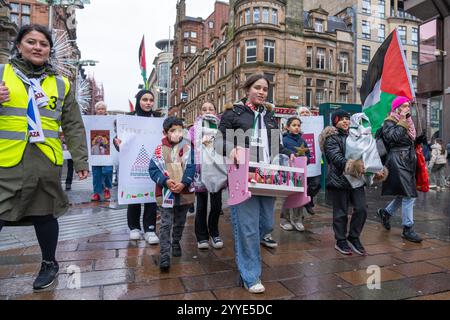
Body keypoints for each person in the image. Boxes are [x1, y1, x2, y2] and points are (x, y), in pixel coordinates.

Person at [0, 24, 89, 290]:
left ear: (50, 50)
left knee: (44, 215)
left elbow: (73, 124)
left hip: (44, 161)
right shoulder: (2, 74)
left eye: (43, 44)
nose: (38, 47)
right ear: (19, 45)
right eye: (31, 42)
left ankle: (49, 263)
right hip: (6, 161)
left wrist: (81, 160)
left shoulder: (61, 84)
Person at [218, 73, 294, 294]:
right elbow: (218, 140)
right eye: (257, 88)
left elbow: (276, 146)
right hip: (243, 176)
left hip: (267, 177)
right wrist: (230, 148)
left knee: (267, 223)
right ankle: (250, 275)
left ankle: (248, 255)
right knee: (248, 227)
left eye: (265, 89)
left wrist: (288, 153)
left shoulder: (270, 116)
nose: (262, 92)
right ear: (247, 89)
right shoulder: (235, 113)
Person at [320, 110, 373, 256]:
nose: (345, 121)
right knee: (340, 213)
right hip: (339, 180)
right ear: (335, 121)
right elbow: (335, 158)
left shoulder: (355, 136)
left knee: (362, 209)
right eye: (341, 119)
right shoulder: (331, 138)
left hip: (356, 180)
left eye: (347, 119)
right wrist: (354, 166)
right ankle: (340, 240)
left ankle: (354, 237)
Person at [113, 90, 160, 244]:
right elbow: (119, 139)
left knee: (151, 197)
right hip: (132, 164)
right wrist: (117, 142)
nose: (148, 103)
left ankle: (150, 229)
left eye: (151, 100)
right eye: (145, 99)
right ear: (139, 100)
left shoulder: (158, 119)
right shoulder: (128, 119)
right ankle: (134, 227)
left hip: (153, 163)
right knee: (134, 195)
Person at [149, 117, 195, 271]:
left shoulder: (187, 147)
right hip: (165, 192)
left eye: (179, 130)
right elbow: (153, 169)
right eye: (172, 130)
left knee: (180, 221)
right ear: (165, 132)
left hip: (184, 192)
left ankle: (176, 241)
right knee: (165, 224)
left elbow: (192, 167)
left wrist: (184, 183)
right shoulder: (159, 149)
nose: (177, 133)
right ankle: (164, 255)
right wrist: (165, 181)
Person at [377, 96, 423, 243]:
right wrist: (402, 121)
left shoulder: (406, 122)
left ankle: (385, 212)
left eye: (408, 106)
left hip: (407, 160)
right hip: (398, 161)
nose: (407, 108)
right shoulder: (389, 121)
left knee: (404, 193)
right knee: (409, 195)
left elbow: (406, 139)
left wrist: (417, 141)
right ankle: (407, 228)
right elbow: (393, 138)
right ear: (396, 108)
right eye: (403, 106)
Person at [189, 102, 224, 250]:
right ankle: (202, 237)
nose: (208, 111)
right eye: (204, 109)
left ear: (216, 111)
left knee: (216, 205)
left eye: (211, 108)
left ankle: (214, 233)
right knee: (201, 206)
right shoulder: (193, 129)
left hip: (217, 170)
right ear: (200, 112)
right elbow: (188, 147)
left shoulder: (222, 126)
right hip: (200, 171)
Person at [280, 117, 310, 232]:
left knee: (299, 195)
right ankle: (285, 220)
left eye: (298, 125)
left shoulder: (303, 141)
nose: (296, 127)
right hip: (287, 172)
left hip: (300, 173)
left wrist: (306, 159)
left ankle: (297, 219)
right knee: (287, 195)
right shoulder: (284, 140)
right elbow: (281, 153)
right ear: (288, 127)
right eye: (294, 125)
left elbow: (309, 156)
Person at [298, 106, 321, 215]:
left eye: (307, 112)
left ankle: (308, 200)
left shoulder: (315, 126)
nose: (305, 114)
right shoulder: (295, 126)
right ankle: (298, 212)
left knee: (316, 184)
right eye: (302, 112)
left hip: (314, 162)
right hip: (299, 161)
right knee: (300, 187)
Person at [90, 101, 114, 201]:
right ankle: (96, 192)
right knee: (96, 173)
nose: (100, 110)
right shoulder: (91, 120)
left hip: (108, 150)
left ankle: (107, 188)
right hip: (95, 152)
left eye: (102, 109)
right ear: (96, 110)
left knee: (108, 171)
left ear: (105, 110)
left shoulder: (111, 120)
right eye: (99, 109)